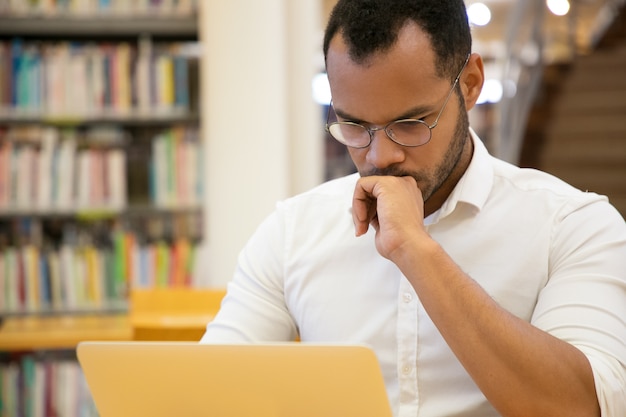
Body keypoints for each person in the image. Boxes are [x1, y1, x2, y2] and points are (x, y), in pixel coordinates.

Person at [200, 1, 626, 416]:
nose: (380, 156)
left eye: (410, 124)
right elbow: (207, 393)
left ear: (471, 83)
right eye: (355, 126)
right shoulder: (293, 231)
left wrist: (415, 250)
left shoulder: (572, 225)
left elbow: (579, 406)